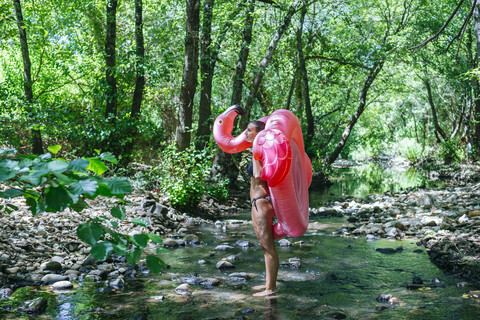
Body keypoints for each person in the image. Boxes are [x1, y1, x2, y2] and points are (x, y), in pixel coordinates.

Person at [245, 120, 279, 297]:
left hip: (262, 203)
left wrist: (254, 149)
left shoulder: (261, 150)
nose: (245, 133)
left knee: (268, 247)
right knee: (264, 246)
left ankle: (270, 289)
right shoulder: (259, 149)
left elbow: (259, 174)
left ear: (259, 133)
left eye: (249, 131)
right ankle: (268, 284)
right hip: (257, 203)